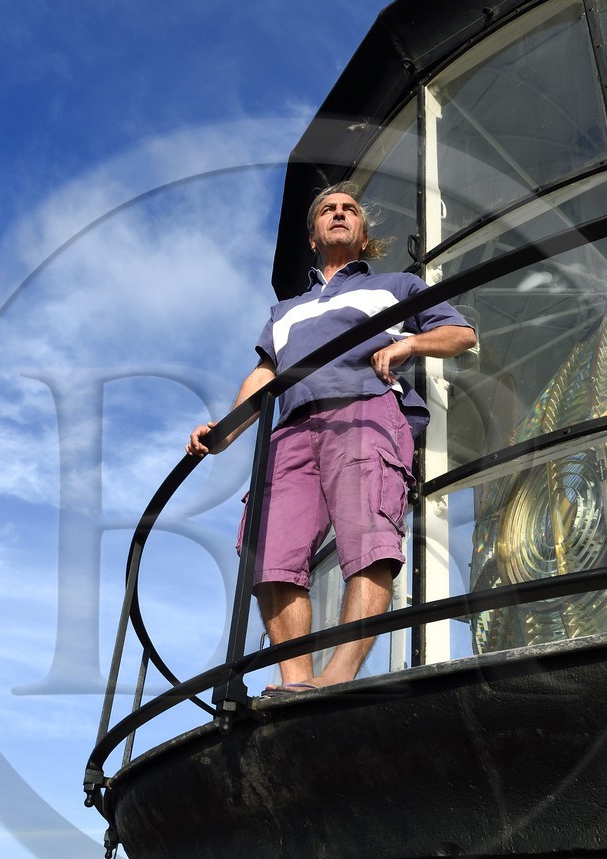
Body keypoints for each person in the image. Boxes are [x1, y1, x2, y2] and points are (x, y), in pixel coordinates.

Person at [187, 182, 477, 694]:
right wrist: (226, 431)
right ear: (314, 235)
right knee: (268, 551)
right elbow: (264, 376)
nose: (339, 214)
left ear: (363, 236)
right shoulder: (283, 312)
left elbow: (461, 334)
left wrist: (410, 344)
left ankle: (339, 674)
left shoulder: (398, 285)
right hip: (291, 430)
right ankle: (295, 679)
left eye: (349, 210)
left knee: (368, 540)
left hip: (365, 410)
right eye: (328, 209)